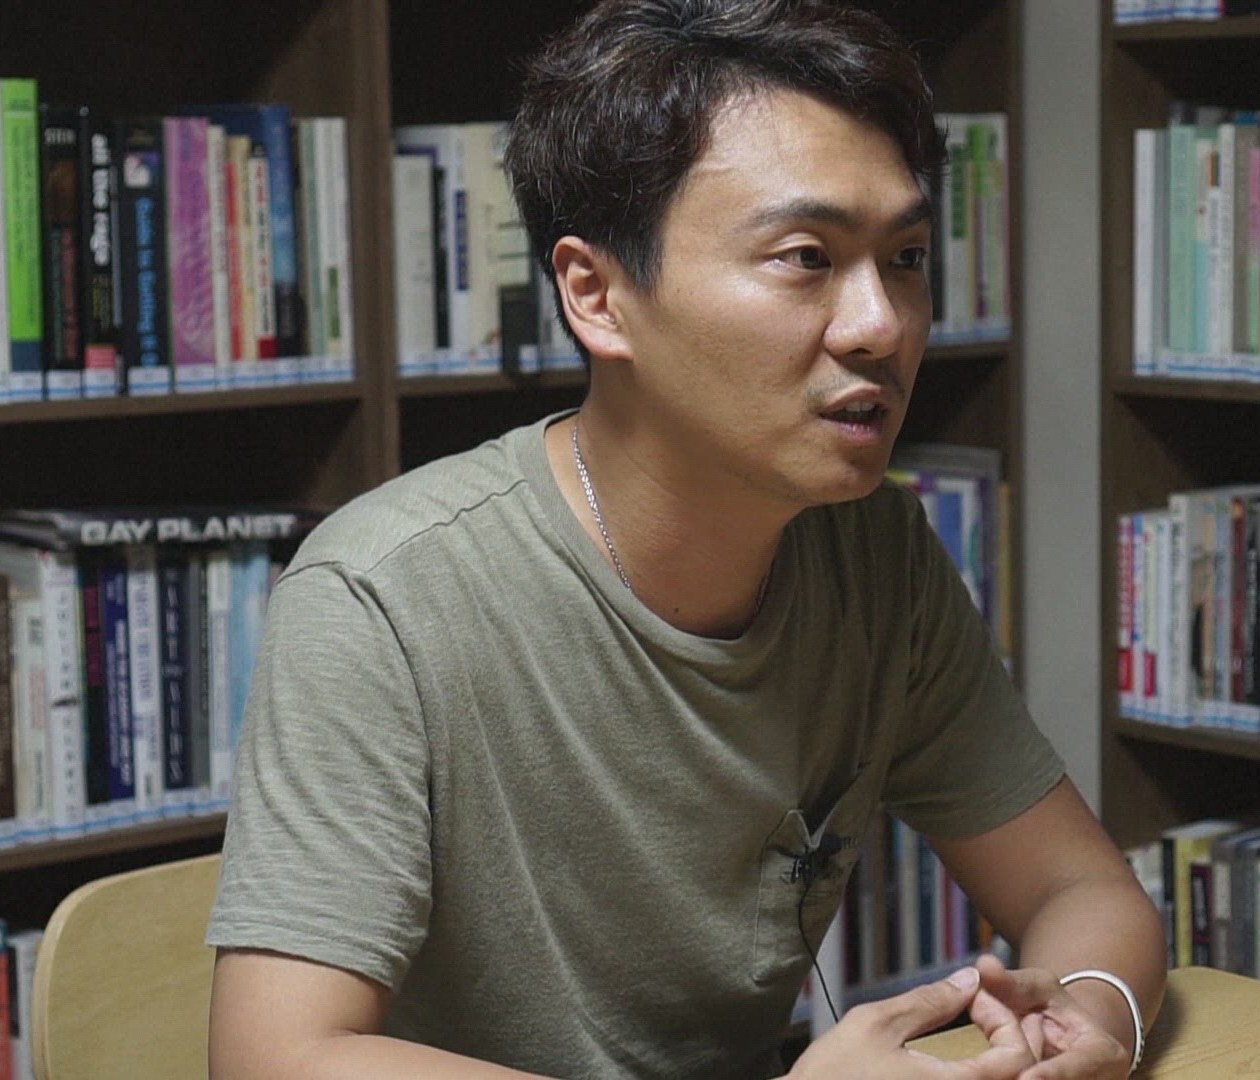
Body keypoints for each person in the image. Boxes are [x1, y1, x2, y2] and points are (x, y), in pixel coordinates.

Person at [204, 1, 1165, 1077]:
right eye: (805, 257)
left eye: (904, 257)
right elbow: (274, 1058)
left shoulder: (872, 548)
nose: (882, 324)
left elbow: (1083, 891)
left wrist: (1083, 1027)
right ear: (597, 295)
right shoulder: (381, 597)